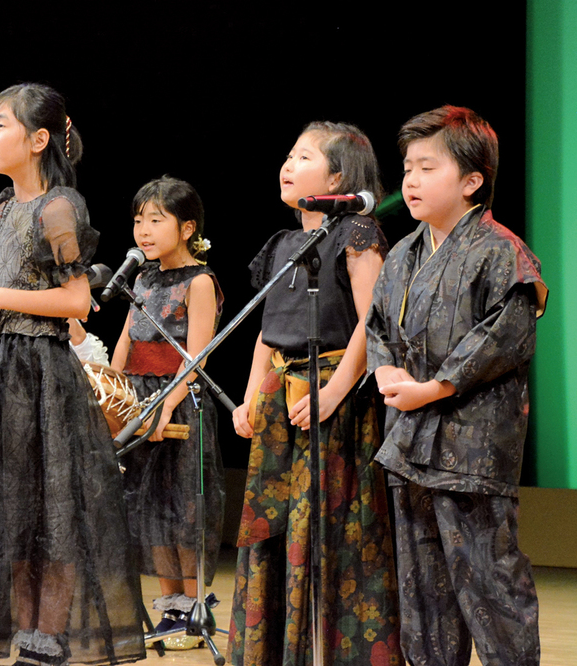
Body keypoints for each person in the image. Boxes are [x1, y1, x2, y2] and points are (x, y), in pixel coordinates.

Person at [0, 83, 146, 666]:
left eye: (0, 125)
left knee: (49, 513)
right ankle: (24, 635)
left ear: (38, 139)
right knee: (10, 511)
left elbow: (75, 300)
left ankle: (46, 639)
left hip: (38, 373)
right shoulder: (1, 207)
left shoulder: (59, 206)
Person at [366, 105, 545, 666]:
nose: (411, 181)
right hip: (409, 442)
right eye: (408, 169)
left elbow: (503, 338)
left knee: (491, 587)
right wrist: (385, 370)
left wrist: (436, 387)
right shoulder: (402, 254)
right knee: (422, 593)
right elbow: (377, 328)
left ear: (472, 181)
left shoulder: (500, 250)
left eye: (427, 168)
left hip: (471, 452)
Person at [228, 122, 403, 665]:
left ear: (337, 176)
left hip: (335, 402)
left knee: (332, 534)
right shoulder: (284, 244)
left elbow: (373, 323)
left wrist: (332, 394)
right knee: (274, 532)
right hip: (282, 402)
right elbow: (266, 331)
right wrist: (252, 396)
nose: (287, 164)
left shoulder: (356, 231)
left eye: (303, 157)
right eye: (289, 154)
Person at [109, 176, 224, 647]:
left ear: (187, 226)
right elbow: (125, 342)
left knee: (184, 511)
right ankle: (170, 608)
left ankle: (195, 612)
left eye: (157, 220)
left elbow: (196, 359)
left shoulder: (200, 280)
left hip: (179, 403)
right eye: (139, 221)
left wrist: (164, 408)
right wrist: (111, 397)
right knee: (150, 510)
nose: (145, 230)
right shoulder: (140, 277)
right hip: (137, 400)